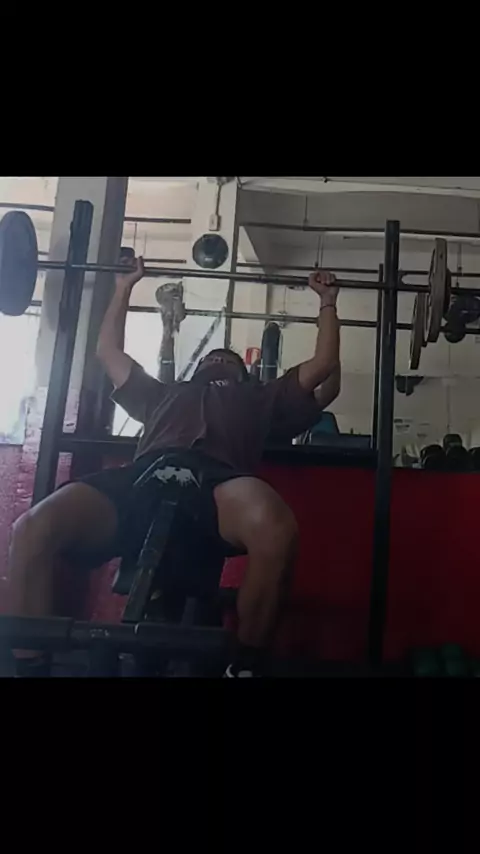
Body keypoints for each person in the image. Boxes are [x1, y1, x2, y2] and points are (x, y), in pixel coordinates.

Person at [8, 258, 340, 677]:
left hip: (218, 483)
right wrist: (124, 286)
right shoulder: (161, 393)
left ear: (244, 374)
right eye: (212, 357)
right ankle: (30, 668)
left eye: (228, 358)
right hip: (141, 478)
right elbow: (107, 352)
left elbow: (324, 367)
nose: (218, 360)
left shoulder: (261, 397)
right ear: (197, 369)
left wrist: (327, 301)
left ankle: (244, 665)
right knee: (32, 528)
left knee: (276, 529)